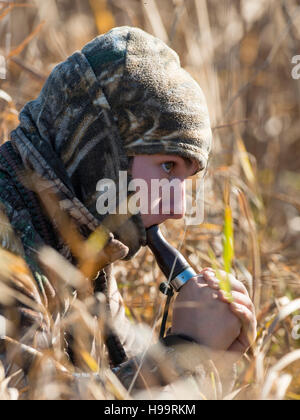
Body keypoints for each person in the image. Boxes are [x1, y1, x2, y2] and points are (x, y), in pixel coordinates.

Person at [0, 26, 256, 398]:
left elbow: (119, 392)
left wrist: (204, 363)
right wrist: (176, 355)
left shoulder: (83, 241)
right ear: (100, 152)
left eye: (187, 177)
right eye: (168, 166)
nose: (178, 206)